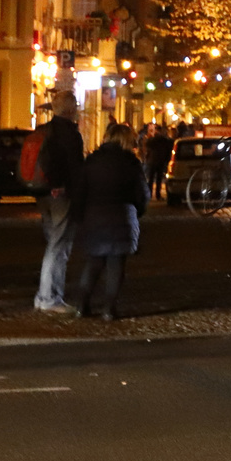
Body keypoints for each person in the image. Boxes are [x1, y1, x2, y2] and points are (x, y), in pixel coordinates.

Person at [70, 122, 148, 321]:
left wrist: (79, 217)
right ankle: (109, 309)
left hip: (94, 216)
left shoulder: (92, 161)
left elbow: (80, 192)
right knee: (116, 264)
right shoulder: (131, 163)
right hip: (122, 215)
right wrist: (137, 211)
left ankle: (81, 305)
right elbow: (142, 194)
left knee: (94, 262)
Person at [33, 91, 86, 314]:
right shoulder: (69, 134)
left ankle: (48, 295)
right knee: (58, 245)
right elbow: (75, 168)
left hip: (44, 193)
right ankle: (48, 297)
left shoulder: (44, 130)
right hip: (62, 194)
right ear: (69, 109)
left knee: (54, 243)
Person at [143, 123, 174, 202]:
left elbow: (147, 146)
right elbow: (168, 149)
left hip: (152, 160)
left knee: (151, 178)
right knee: (158, 179)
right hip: (160, 161)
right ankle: (158, 195)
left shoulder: (153, 139)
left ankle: (149, 194)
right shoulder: (165, 140)